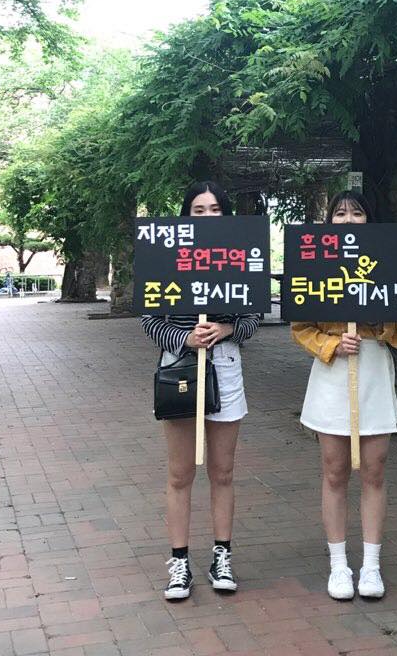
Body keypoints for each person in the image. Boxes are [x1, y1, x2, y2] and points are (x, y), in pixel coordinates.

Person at [291, 190, 397, 601]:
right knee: (334, 470)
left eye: (357, 213)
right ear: (329, 222)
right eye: (340, 213)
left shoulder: (391, 261)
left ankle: (372, 566)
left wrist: (380, 322)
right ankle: (338, 565)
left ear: (370, 221)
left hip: (374, 369)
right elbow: (300, 326)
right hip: (332, 374)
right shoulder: (314, 264)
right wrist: (331, 344)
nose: (348, 220)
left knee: (374, 469)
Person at [141, 180, 260, 601]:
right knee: (180, 474)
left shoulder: (241, 257)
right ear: (186, 216)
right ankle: (179, 561)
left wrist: (225, 329)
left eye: (215, 210)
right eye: (198, 210)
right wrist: (185, 338)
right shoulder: (165, 258)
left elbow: (252, 318)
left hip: (225, 370)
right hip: (178, 371)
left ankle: (222, 556)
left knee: (222, 472)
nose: (208, 216)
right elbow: (150, 320)